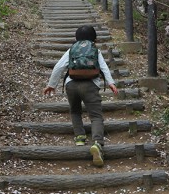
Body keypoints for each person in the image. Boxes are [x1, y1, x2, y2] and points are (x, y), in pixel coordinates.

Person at [43, 25, 119, 167]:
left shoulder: (72, 49)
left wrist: (52, 85)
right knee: (96, 116)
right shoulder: (95, 50)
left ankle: (79, 137)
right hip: (90, 85)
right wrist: (111, 83)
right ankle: (97, 143)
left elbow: (59, 67)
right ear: (95, 39)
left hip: (71, 84)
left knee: (75, 111)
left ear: (76, 38)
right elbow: (104, 67)